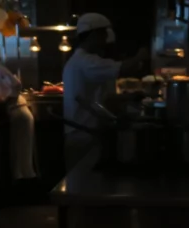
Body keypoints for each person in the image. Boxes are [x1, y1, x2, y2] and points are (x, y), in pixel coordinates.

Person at [62, 13, 148, 169]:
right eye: (102, 35)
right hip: (83, 133)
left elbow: (104, 98)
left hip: (85, 132)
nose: (104, 41)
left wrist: (129, 97)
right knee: (80, 183)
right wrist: (140, 55)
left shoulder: (82, 60)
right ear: (93, 35)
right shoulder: (86, 61)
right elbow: (125, 67)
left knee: (83, 182)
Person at [0, 43, 36, 180]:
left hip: (18, 113)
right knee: (22, 155)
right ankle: (27, 189)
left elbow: (16, 85)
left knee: (21, 155)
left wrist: (9, 98)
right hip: (19, 114)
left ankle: (27, 191)